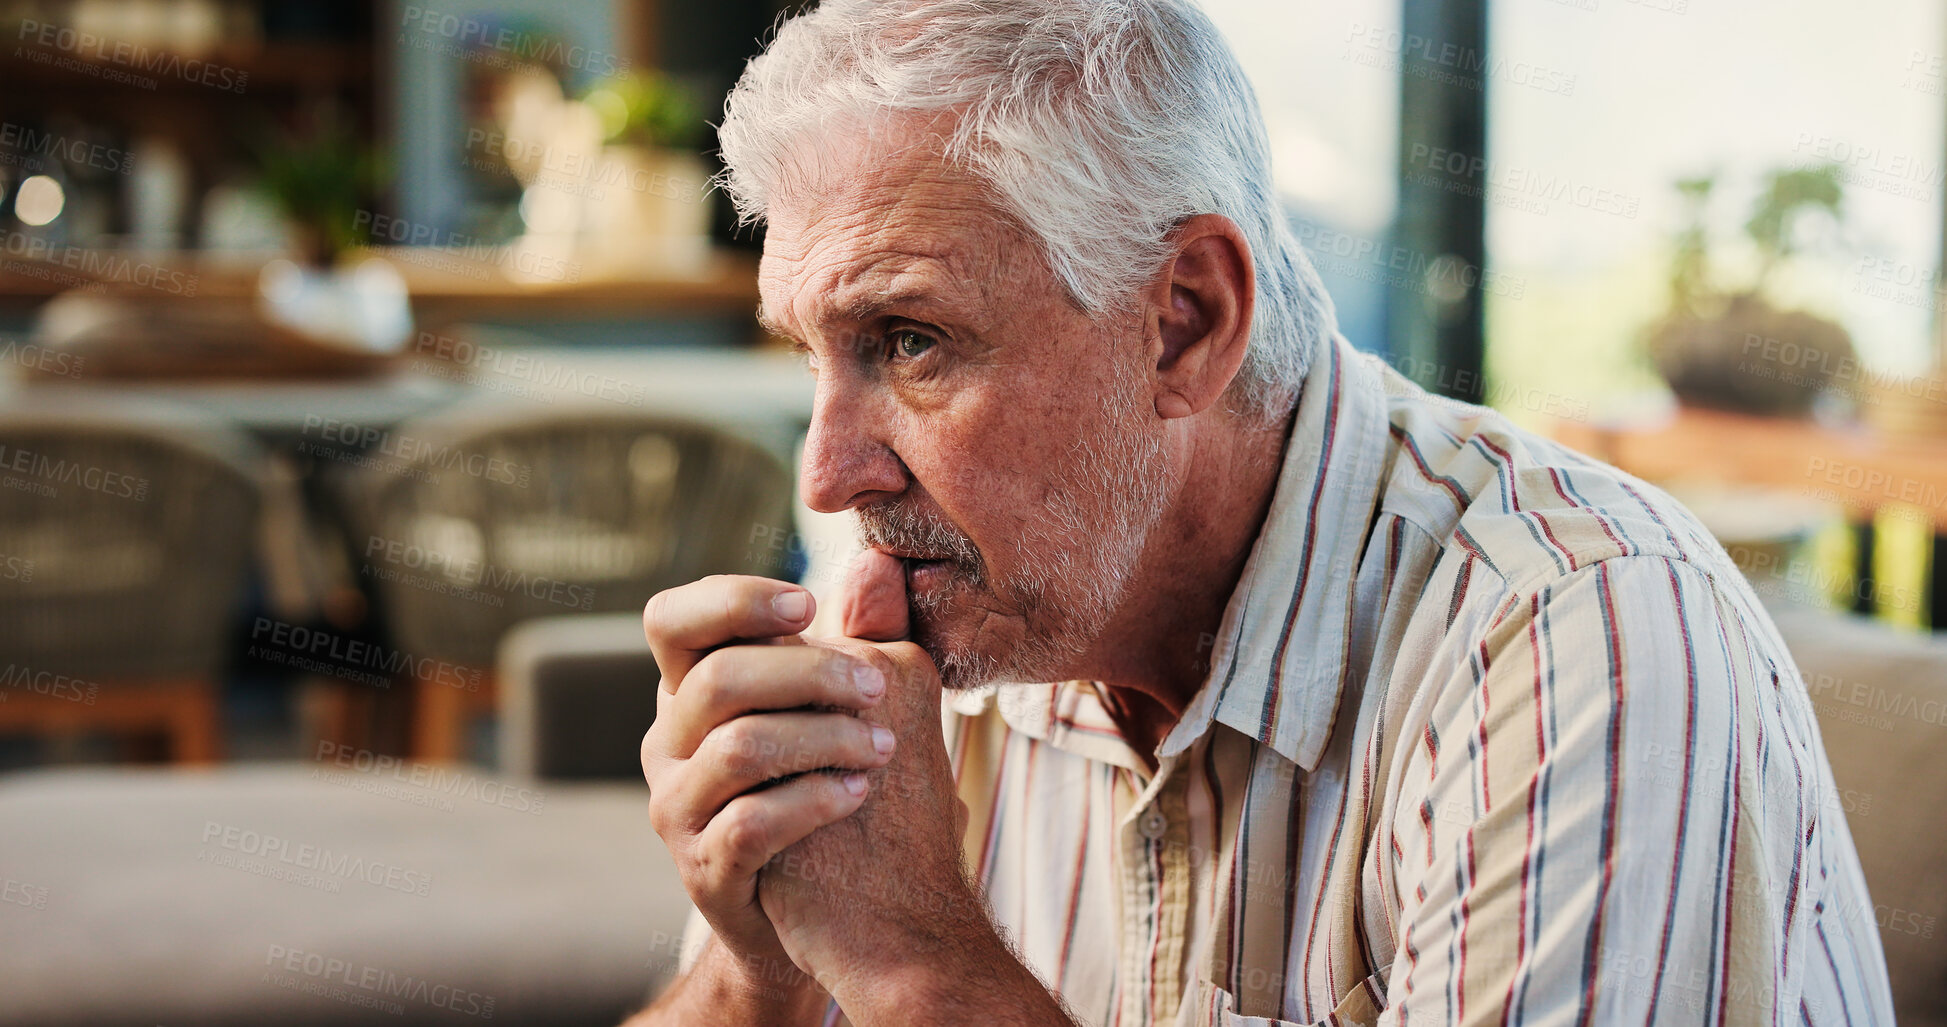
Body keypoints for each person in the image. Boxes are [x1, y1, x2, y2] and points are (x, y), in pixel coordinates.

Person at [628, 1, 1895, 1023]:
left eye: (909, 343)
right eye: (811, 355)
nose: (828, 473)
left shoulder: (1586, 634)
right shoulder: (960, 581)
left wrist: (920, 973)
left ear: (1186, 321)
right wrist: (760, 977)